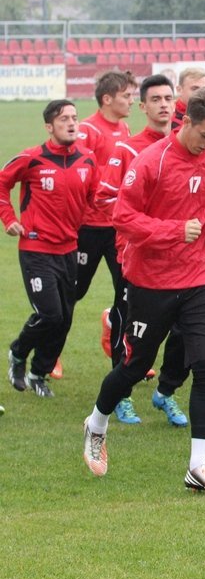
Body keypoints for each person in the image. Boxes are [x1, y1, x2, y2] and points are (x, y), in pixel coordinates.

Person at [82, 87, 205, 493]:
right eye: (203, 135)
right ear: (185, 123)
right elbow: (122, 216)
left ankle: (199, 466)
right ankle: (96, 424)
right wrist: (172, 231)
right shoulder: (152, 161)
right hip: (151, 282)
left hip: (201, 277)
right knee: (134, 366)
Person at [96, 73, 191, 425]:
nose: (164, 105)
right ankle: (120, 395)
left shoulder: (189, 146)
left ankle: (166, 392)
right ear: (143, 107)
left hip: (184, 258)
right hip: (137, 257)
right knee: (132, 331)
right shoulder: (129, 149)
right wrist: (146, 223)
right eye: (156, 99)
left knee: (188, 331)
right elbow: (105, 197)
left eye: (168, 98)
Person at [2, 100, 99, 398]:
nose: (71, 123)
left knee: (65, 319)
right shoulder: (32, 158)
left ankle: (38, 373)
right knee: (51, 314)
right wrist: (9, 219)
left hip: (69, 250)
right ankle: (18, 353)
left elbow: (95, 200)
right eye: (63, 119)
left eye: (74, 117)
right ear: (49, 127)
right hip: (36, 248)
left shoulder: (88, 160)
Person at [75, 70, 136, 380]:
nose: (131, 101)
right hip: (87, 228)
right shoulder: (87, 130)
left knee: (128, 293)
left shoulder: (125, 128)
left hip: (116, 227)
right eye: (126, 96)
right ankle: (50, 352)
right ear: (107, 98)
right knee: (72, 293)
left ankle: (123, 361)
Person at [171, 67, 205, 133]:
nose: (200, 93)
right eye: (195, 89)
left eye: (204, 89)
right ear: (179, 90)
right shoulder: (168, 116)